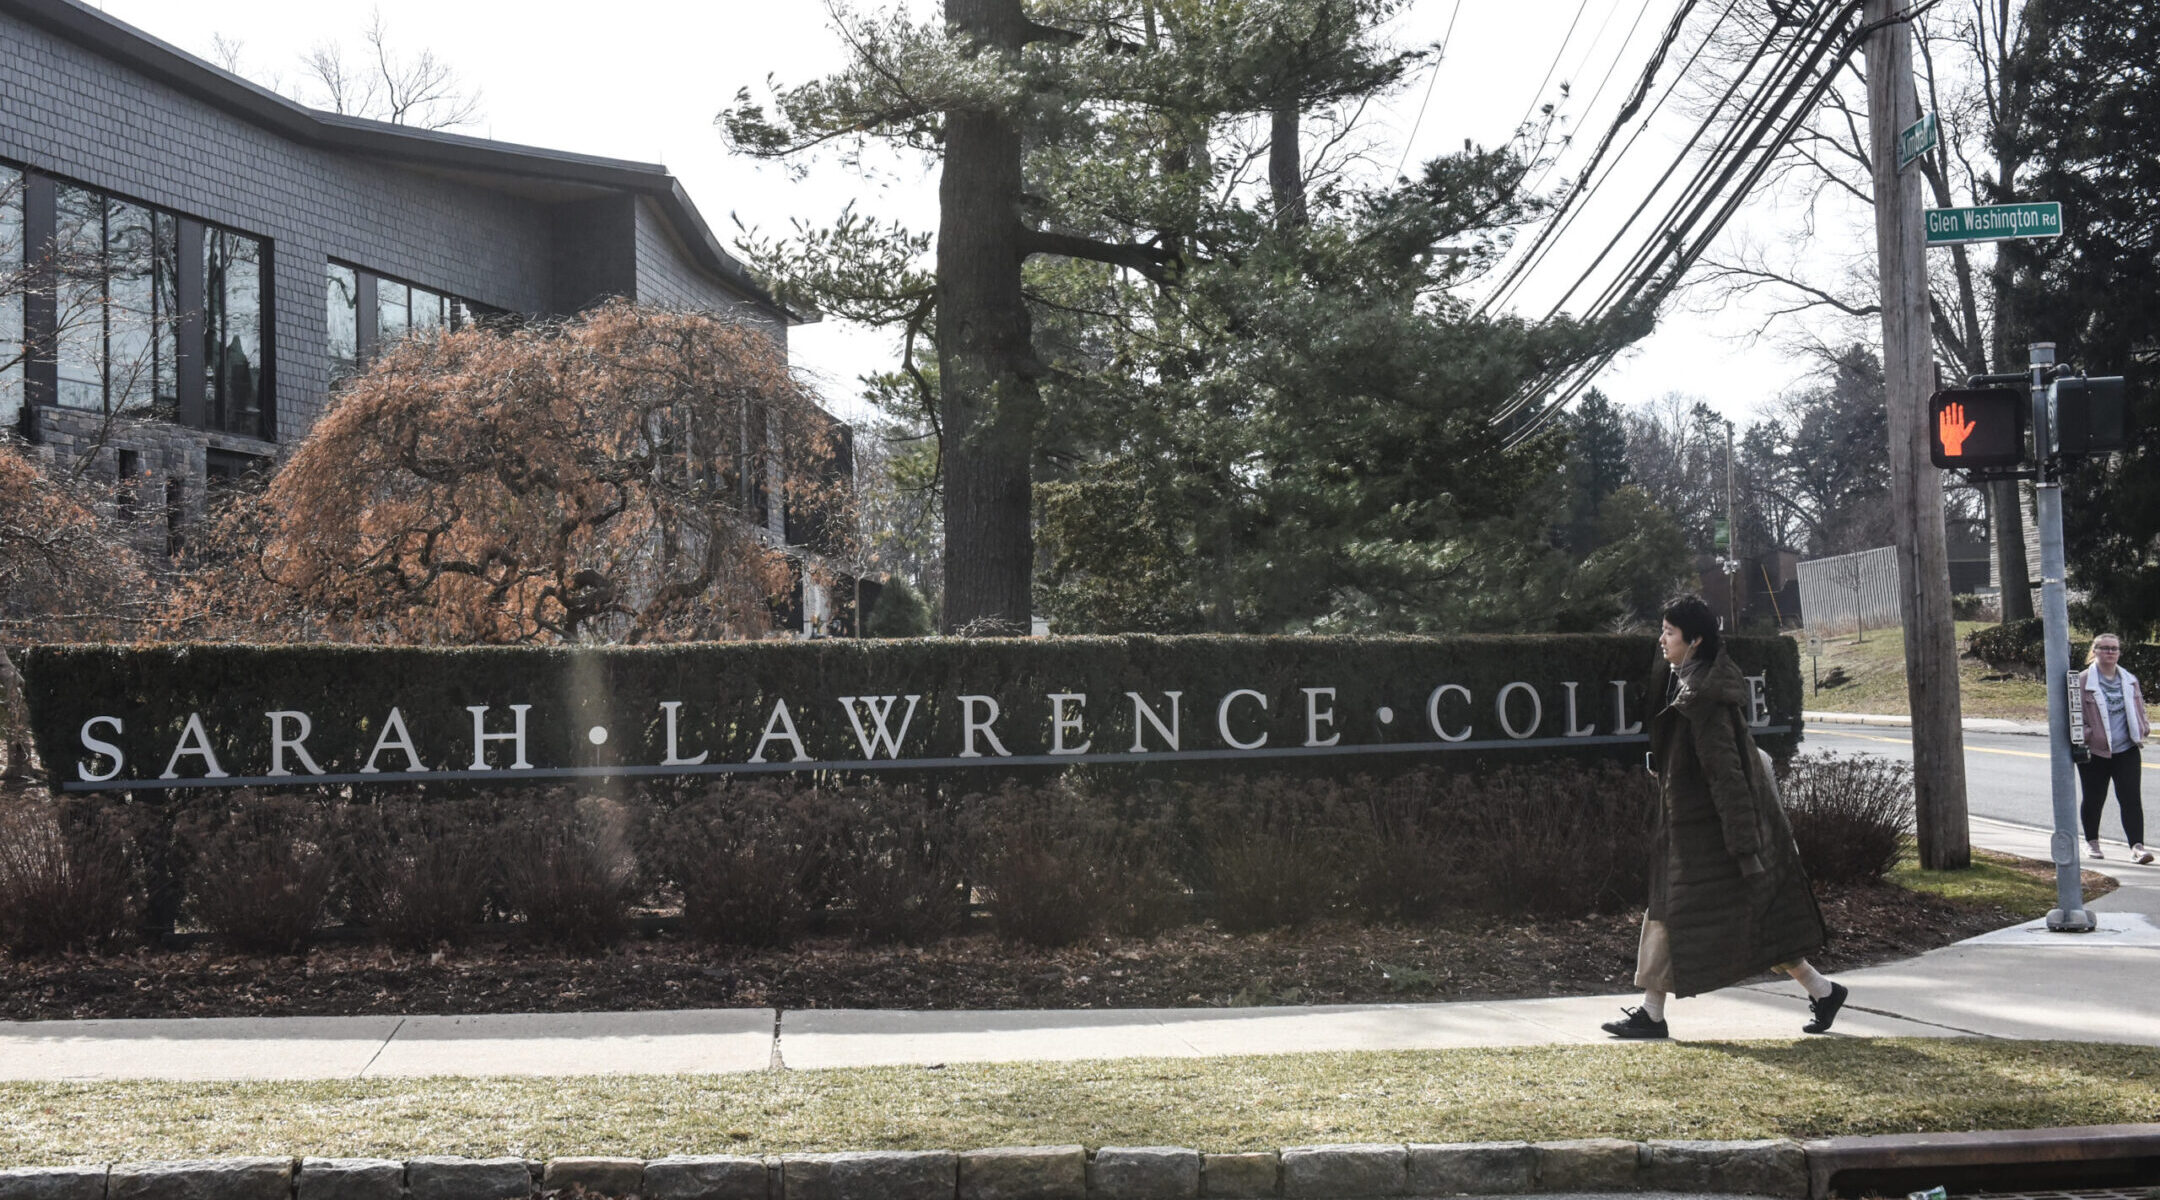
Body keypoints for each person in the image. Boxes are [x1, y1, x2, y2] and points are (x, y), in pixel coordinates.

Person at [1602, 594, 1846, 1039]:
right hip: (1691, 826)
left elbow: (1727, 773)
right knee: (1734, 915)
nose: (1661, 640)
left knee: (1679, 912)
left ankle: (1653, 1016)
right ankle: (1822, 990)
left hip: (1708, 835)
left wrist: (1744, 845)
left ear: (1693, 641)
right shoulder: (1691, 684)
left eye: (1669, 633)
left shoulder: (1704, 697)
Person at [2078, 633, 2151, 865]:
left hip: (2127, 749)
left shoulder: (2129, 679)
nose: (2110, 652)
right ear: (2095, 651)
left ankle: (2137, 847)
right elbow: (2074, 716)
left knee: (2130, 799)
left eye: (2114, 649)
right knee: (2094, 798)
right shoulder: (2083, 681)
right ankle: (2092, 842)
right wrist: (2089, 736)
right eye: (2105, 648)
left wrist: (2143, 728)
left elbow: (2139, 709)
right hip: (2096, 752)